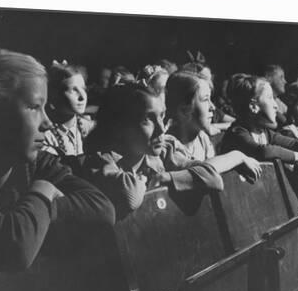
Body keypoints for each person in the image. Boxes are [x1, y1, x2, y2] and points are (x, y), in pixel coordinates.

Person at [0, 49, 116, 275]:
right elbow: (16, 248)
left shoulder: (36, 163)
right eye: (34, 107)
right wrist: (43, 190)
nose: (47, 123)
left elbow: (103, 208)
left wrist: (41, 208)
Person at [84, 82, 224, 219]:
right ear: (122, 127)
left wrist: (166, 177)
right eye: (147, 119)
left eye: (162, 116)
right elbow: (131, 198)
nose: (161, 129)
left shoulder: (163, 151)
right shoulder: (101, 161)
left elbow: (213, 178)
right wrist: (145, 180)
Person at [220, 73, 298, 180]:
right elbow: (263, 152)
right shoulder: (237, 132)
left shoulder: (264, 132)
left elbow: (295, 142)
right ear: (254, 107)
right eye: (270, 98)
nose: (276, 105)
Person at [165, 70, 261, 179]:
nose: (213, 107)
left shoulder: (202, 138)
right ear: (183, 110)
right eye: (205, 99)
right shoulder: (169, 146)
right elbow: (202, 171)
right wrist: (238, 156)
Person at [42, 61, 95, 157]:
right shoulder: (47, 137)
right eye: (73, 90)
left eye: (83, 89)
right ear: (55, 96)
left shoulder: (90, 128)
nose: (82, 97)